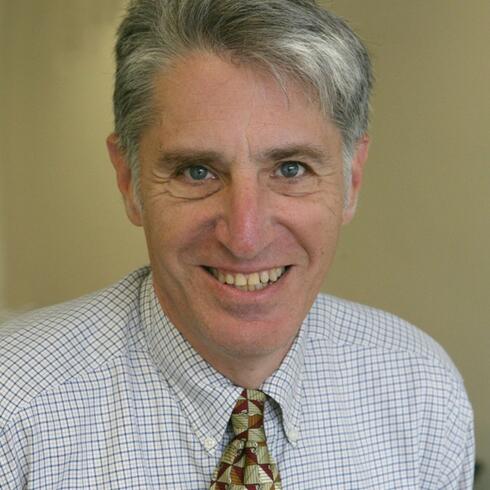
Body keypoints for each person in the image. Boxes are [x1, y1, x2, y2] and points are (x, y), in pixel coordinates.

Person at [0, 0, 474, 488]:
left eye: (291, 169)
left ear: (351, 181)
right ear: (129, 182)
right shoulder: (12, 407)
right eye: (196, 171)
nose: (245, 238)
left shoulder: (422, 389)